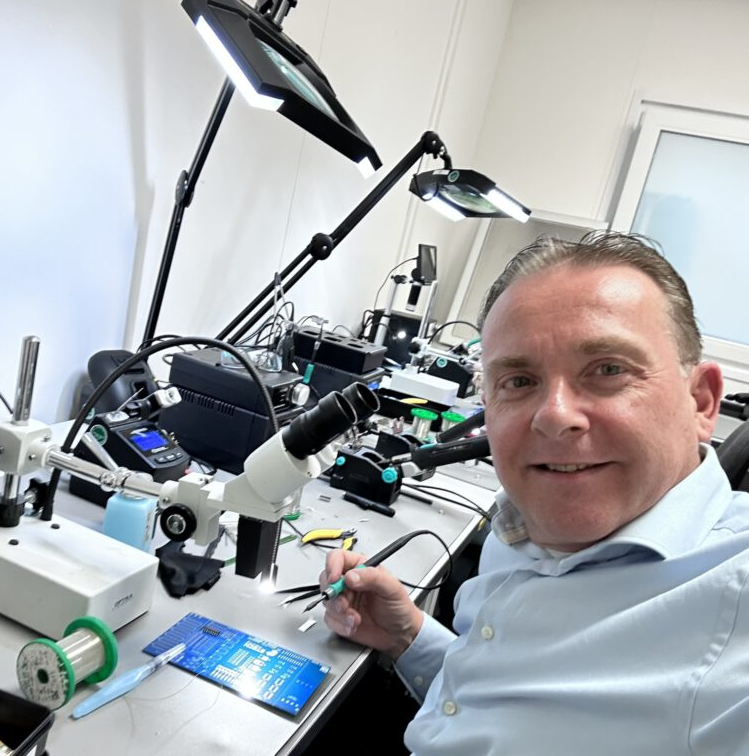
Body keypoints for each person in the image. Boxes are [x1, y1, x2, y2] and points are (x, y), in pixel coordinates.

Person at [320, 231, 749, 754]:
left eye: (608, 370)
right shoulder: (523, 525)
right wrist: (408, 636)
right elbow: (512, 705)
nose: (554, 416)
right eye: (519, 381)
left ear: (701, 401)